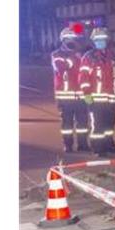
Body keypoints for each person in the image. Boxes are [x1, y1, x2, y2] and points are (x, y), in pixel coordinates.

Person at [78, 27, 115, 155]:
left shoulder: (111, 57)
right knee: (98, 125)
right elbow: (83, 78)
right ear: (93, 42)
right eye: (98, 40)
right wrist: (87, 95)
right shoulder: (89, 57)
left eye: (102, 40)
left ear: (106, 40)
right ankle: (98, 148)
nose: (100, 42)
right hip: (95, 99)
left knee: (110, 125)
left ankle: (109, 145)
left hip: (110, 98)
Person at [50, 23, 89, 152]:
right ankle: (68, 145)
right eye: (68, 39)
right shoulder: (57, 54)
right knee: (67, 124)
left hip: (81, 96)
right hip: (65, 97)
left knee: (82, 123)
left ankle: (83, 145)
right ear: (63, 40)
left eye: (73, 39)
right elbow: (61, 67)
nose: (71, 41)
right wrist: (74, 57)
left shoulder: (82, 54)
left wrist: (89, 96)